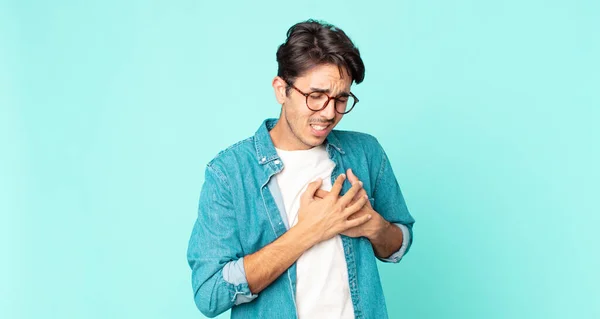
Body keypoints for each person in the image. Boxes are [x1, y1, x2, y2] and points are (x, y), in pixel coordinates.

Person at [187, 19, 415, 319]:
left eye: (341, 98)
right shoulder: (229, 173)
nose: (330, 113)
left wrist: (374, 226)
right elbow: (209, 293)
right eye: (316, 96)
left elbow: (399, 241)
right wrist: (308, 231)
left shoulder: (365, 153)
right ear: (282, 90)